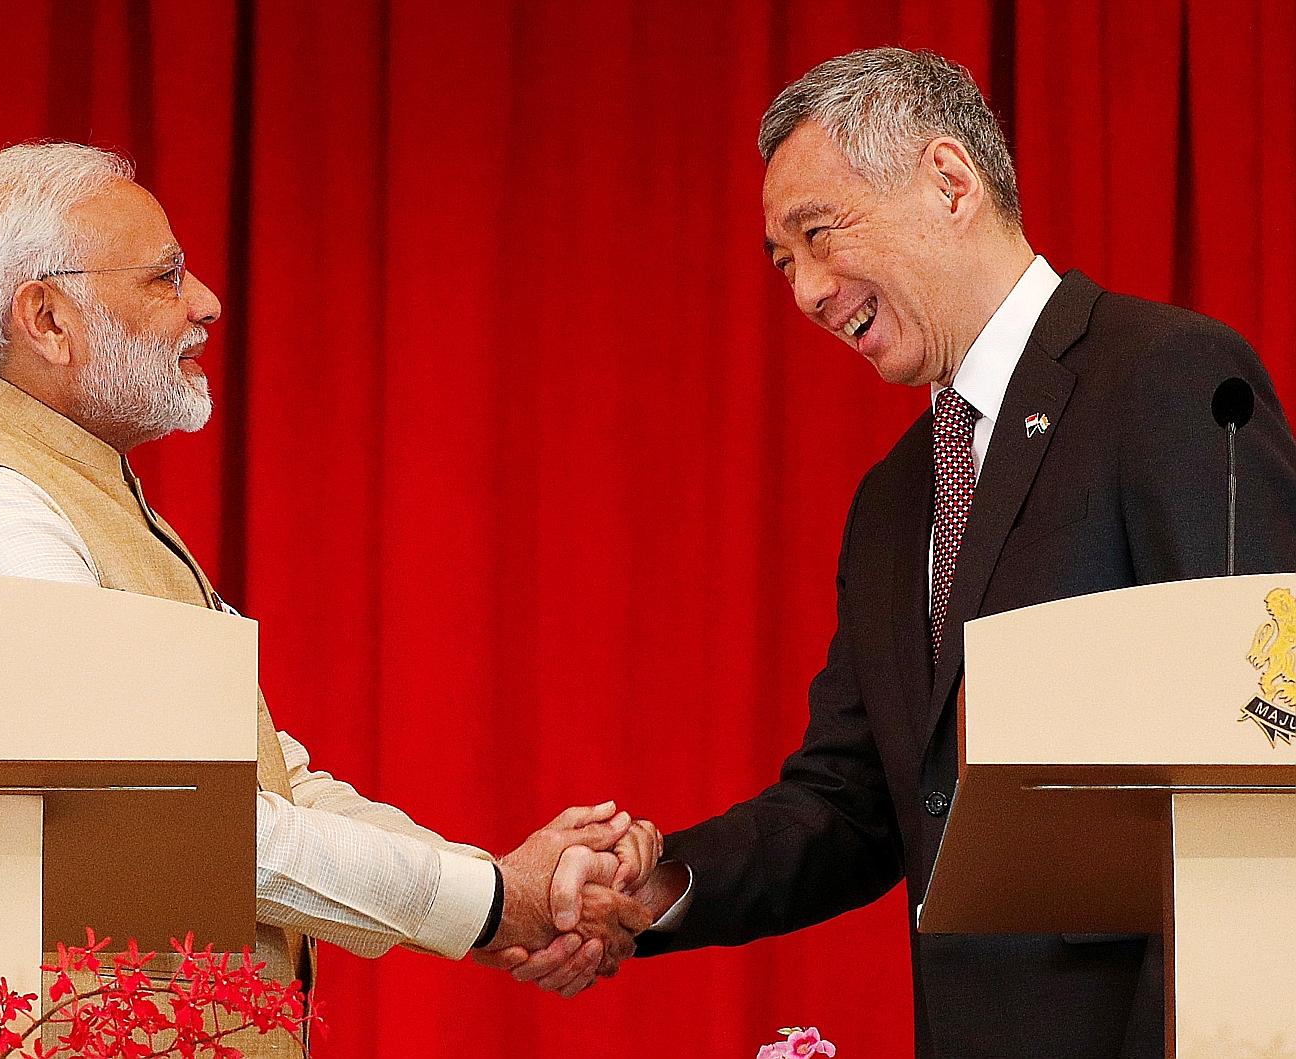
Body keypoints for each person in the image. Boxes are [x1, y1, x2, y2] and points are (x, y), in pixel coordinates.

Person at [489, 47, 1296, 1057]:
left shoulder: (1166, 379)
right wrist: (652, 884)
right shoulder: (893, 496)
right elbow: (852, 802)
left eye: (818, 236)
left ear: (950, 181)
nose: (807, 293)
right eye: (784, 261)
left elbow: (1263, 761)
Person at [0, 143, 658, 1057]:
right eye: (164, 277)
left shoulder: (71, 489)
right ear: (46, 316)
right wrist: (494, 903)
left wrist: (500, 888)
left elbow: (272, 778)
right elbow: (174, 818)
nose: (205, 304)